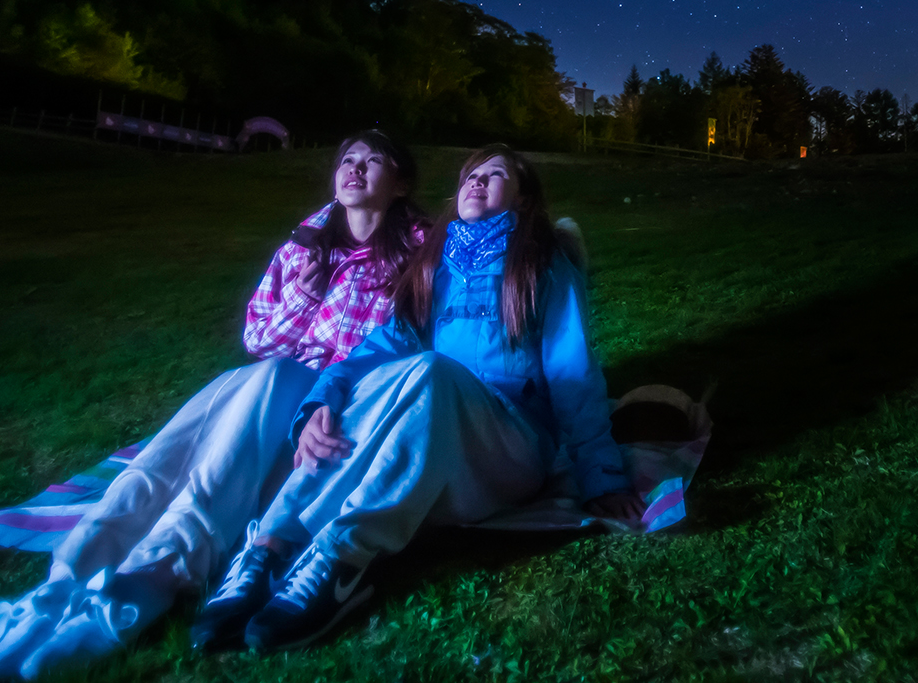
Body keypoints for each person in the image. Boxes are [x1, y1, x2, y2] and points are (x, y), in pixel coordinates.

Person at [0, 131, 427, 682]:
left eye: (374, 162)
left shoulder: (419, 253)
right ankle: (72, 574)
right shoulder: (305, 245)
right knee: (188, 447)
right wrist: (303, 293)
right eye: (347, 159)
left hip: (347, 393)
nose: (354, 170)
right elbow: (258, 336)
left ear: (399, 184)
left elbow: (413, 342)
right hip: (277, 378)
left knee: (240, 430)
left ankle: (153, 577)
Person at [191, 145, 642, 654]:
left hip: (513, 446)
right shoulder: (437, 260)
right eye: (470, 174)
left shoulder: (542, 260)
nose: (477, 181)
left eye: (495, 175)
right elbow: (385, 343)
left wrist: (602, 476)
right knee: (373, 384)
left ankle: (342, 560)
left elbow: (571, 370)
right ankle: (271, 546)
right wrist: (323, 398)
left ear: (523, 199)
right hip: (446, 445)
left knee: (430, 372)